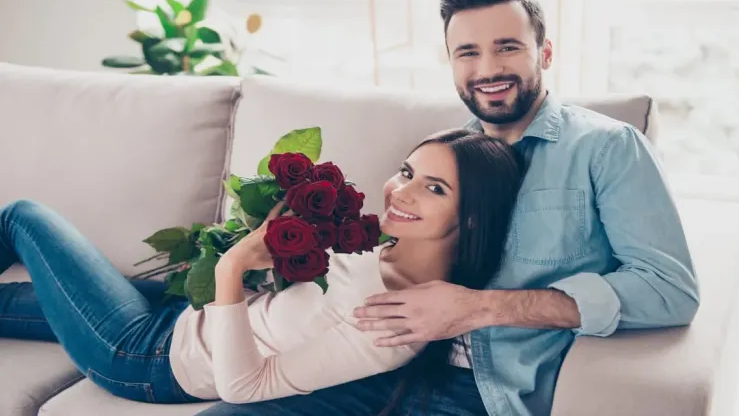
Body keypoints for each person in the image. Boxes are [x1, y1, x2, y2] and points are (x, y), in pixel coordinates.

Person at [198, 0, 700, 415]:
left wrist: (479, 308)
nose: (488, 69)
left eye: (508, 47)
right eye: (467, 52)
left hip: (481, 391)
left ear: (544, 53)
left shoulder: (605, 148)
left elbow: (669, 291)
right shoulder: (444, 152)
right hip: (383, 356)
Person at [0, 129, 523, 407]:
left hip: (147, 356)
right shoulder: (373, 241)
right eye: (407, 171)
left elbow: (244, 387)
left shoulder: (395, 323)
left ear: (473, 216)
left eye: (434, 188)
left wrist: (230, 269)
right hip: (176, 309)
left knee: (22, 217)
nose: (401, 191)